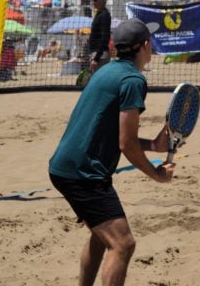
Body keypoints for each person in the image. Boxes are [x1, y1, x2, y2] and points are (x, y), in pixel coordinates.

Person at [48, 18, 174, 286]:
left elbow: (114, 134)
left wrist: (153, 145)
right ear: (144, 46)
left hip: (66, 166)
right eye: (149, 42)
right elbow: (126, 144)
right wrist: (156, 174)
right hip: (84, 174)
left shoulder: (106, 70)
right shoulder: (133, 80)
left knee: (101, 234)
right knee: (123, 244)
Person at [87, 0, 112, 74]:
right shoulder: (99, 13)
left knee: (99, 82)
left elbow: (105, 38)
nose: (93, 2)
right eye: (92, 0)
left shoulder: (104, 15)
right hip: (97, 53)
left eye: (95, 0)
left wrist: (96, 58)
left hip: (100, 55)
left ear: (102, 1)